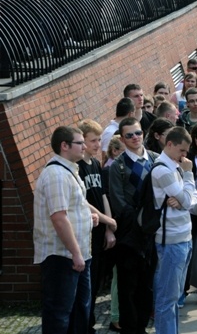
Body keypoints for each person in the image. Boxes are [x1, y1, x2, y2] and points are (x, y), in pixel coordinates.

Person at [33, 126, 99, 334]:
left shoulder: (70, 171)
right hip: (63, 257)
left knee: (80, 313)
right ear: (64, 146)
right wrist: (76, 253)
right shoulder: (56, 175)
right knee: (59, 316)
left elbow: (71, 209)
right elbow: (58, 218)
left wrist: (89, 218)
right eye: (80, 143)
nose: (85, 147)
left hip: (77, 256)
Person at [109, 118, 159, 334]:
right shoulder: (117, 166)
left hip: (152, 234)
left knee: (147, 286)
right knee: (128, 287)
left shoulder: (156, 160)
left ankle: (142, 326)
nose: (135, 138)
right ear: (122, 138)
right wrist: (141, 220)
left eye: (138, 133)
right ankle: (131, 329)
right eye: (129, 135)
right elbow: (118, 202)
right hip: (129, 236)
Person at [152, 127, 197, 334]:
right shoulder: (163, 170)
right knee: (167, 298)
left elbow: (192, 201)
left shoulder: (174, 167)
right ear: (169, 144)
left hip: (183, 238)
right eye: (181, 150)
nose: (184, 156)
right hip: (171, 240)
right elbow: (189, 200)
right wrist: (189, 176)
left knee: (175, 296)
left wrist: (185, 199)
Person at [76, 120, 117, 333]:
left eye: (99, 139)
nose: (97, 144)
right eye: (93, 140)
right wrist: (106, 220)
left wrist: (109, 227)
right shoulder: (78, 167)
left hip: (101, 228)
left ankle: (89, 321)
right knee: (88, 282)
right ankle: (85, 324)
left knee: (97, 280)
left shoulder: (95, 164)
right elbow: (84, 200)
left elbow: (102, 194)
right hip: (88, 230)